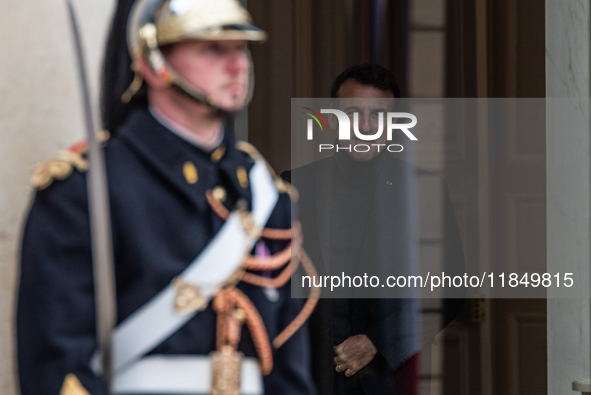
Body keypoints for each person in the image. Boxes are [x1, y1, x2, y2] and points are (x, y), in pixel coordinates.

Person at [17, 0, 316, 394]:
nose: (237, 65)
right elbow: (57, 364)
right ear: (153, 63)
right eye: (212, 49)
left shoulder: (266, 194)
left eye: (240, 47)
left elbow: (287, 368)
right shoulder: (84, 189)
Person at [282, 64, 465, 394]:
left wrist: (378, 342)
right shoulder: (292, 186)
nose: (365, 128)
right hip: (306, 375)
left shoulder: (427, 191)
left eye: (378, 117)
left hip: (388, 376)